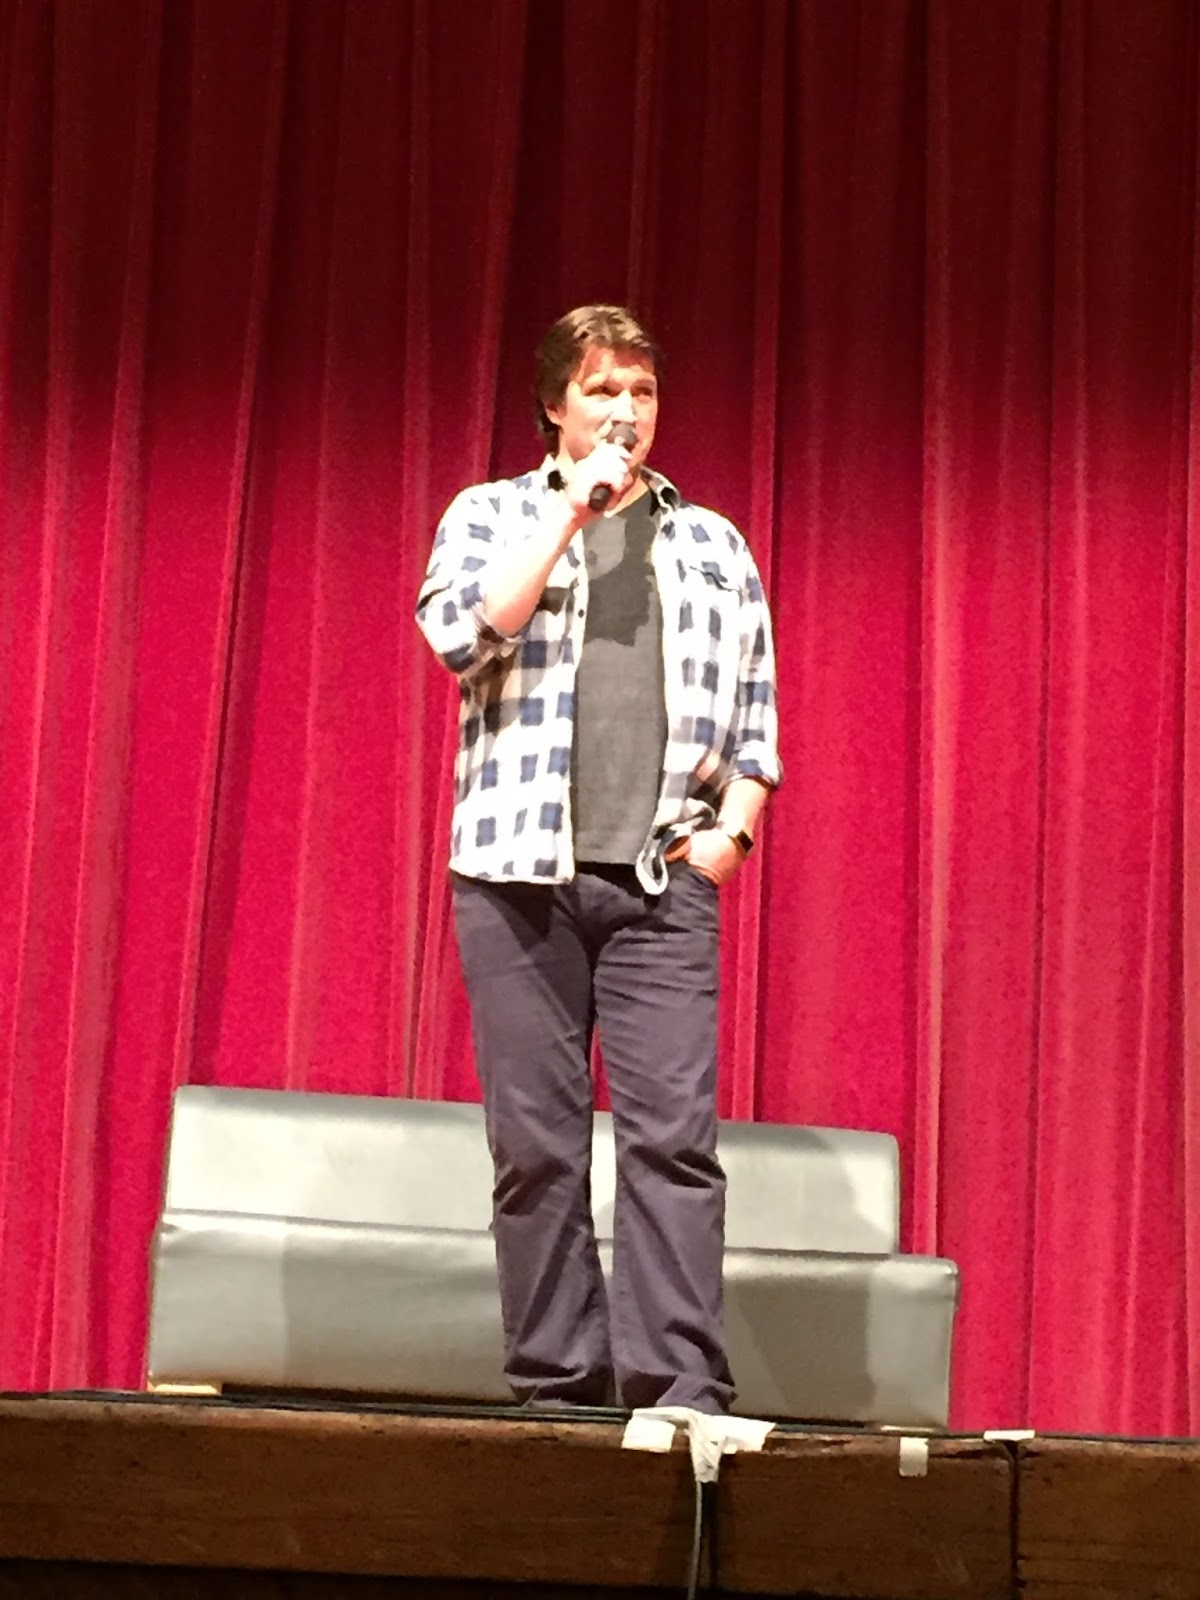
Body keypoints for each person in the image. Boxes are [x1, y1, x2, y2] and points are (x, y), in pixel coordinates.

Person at [416, 304, 781, 1414]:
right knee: (537, 1150)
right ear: (554, 404)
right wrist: (569, 512)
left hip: (662, 883)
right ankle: (559, 1393)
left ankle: (679, 1393)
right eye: (602, 390)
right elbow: (463, 636)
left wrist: (732, 837)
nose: (627, 411)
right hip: (515, 882)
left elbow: (757, 721)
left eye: (643, 391)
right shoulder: (491, 514)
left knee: (674, 1146)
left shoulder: (712, 542)